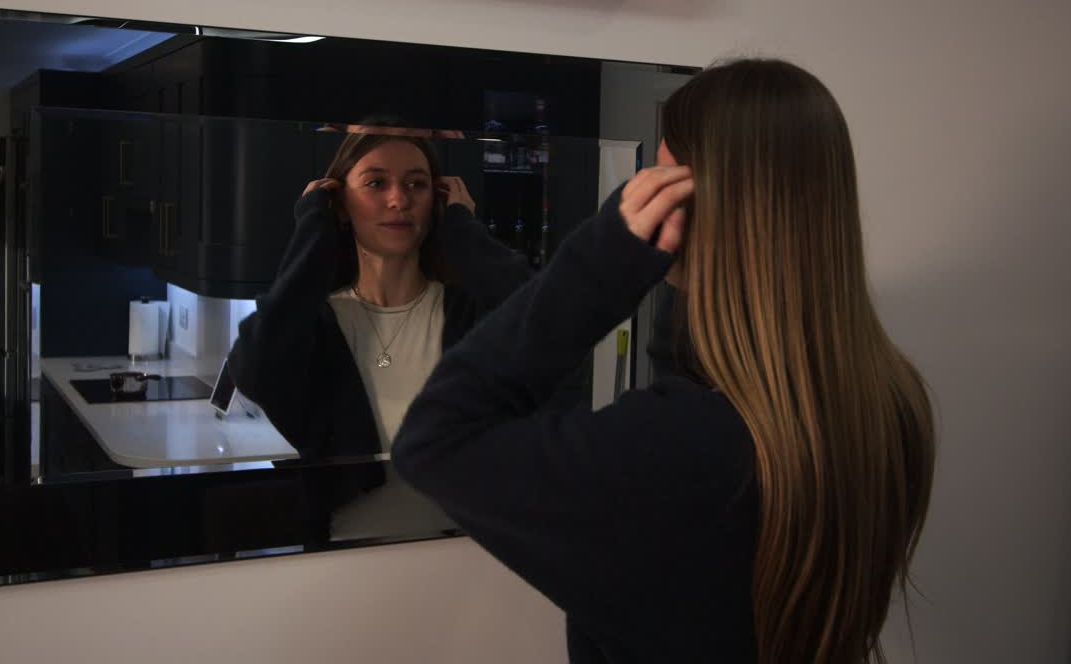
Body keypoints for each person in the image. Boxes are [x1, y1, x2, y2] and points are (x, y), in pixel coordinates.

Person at [393, 59, 936, 664]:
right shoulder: (892, 400)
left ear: (702, 206)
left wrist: (596, 268)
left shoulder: (674, 448)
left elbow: (434, 440)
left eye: (659, 177)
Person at [228, 120, 533, 540]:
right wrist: (312, 231)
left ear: (438, 200)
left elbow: (542, 324)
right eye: (375, 183)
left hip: (470, 563)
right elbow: (255, 369)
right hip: (347, 569)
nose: (398, 200)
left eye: (417, 185)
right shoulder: (316, 323)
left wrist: (462, 228)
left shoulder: (469, 315)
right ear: (339, 203)